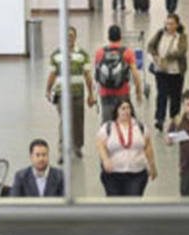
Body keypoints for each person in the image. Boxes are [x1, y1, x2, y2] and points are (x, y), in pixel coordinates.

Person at [45, 26, 96, 160]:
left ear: (75, 37)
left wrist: (91, 94)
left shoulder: (82, 54)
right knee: (64, 120)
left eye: (71, 36)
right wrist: (48, 90)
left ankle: (78, 146)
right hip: (62, 94)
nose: (69, 38)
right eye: (67, 36)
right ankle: (62, 150)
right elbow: (52, 74)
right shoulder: (56, 55)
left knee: (78, 121)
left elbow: (88, 75)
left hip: (78, 93)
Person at [96, 100, 156, 196]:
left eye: (128, 108)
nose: (126, 111)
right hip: (113, 174)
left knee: (132, 202)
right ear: (117, 111)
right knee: (115, 204)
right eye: (123, 108)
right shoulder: (108, 127)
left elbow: (148, 147)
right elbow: (100, 145)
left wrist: (152, 166)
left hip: (136, 173)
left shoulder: (140, 127)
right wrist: (105, 159)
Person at [147, 13, 188, 131]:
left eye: (171, 24)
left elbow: (182, 51)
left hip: (176, 71)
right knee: (162, 94)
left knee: (175, 96)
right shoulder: (160, 34)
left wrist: (167, 57)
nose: (168, 26)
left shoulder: (182, 37)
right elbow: (151, 46)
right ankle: (159, 119)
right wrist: (155, 57)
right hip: (161, 70)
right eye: (167, 23)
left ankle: (174, 119)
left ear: (177, 24)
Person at [94, 24, 143, 122]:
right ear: (120, 36)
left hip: (105, 92)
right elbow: (135, 74)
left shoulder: (100, 52)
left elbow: (97, 74)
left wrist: (95, 93)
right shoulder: (127, 52)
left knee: (108, 122)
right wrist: (138, 91)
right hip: (122, 92)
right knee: (125, 121)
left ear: (108, 37)